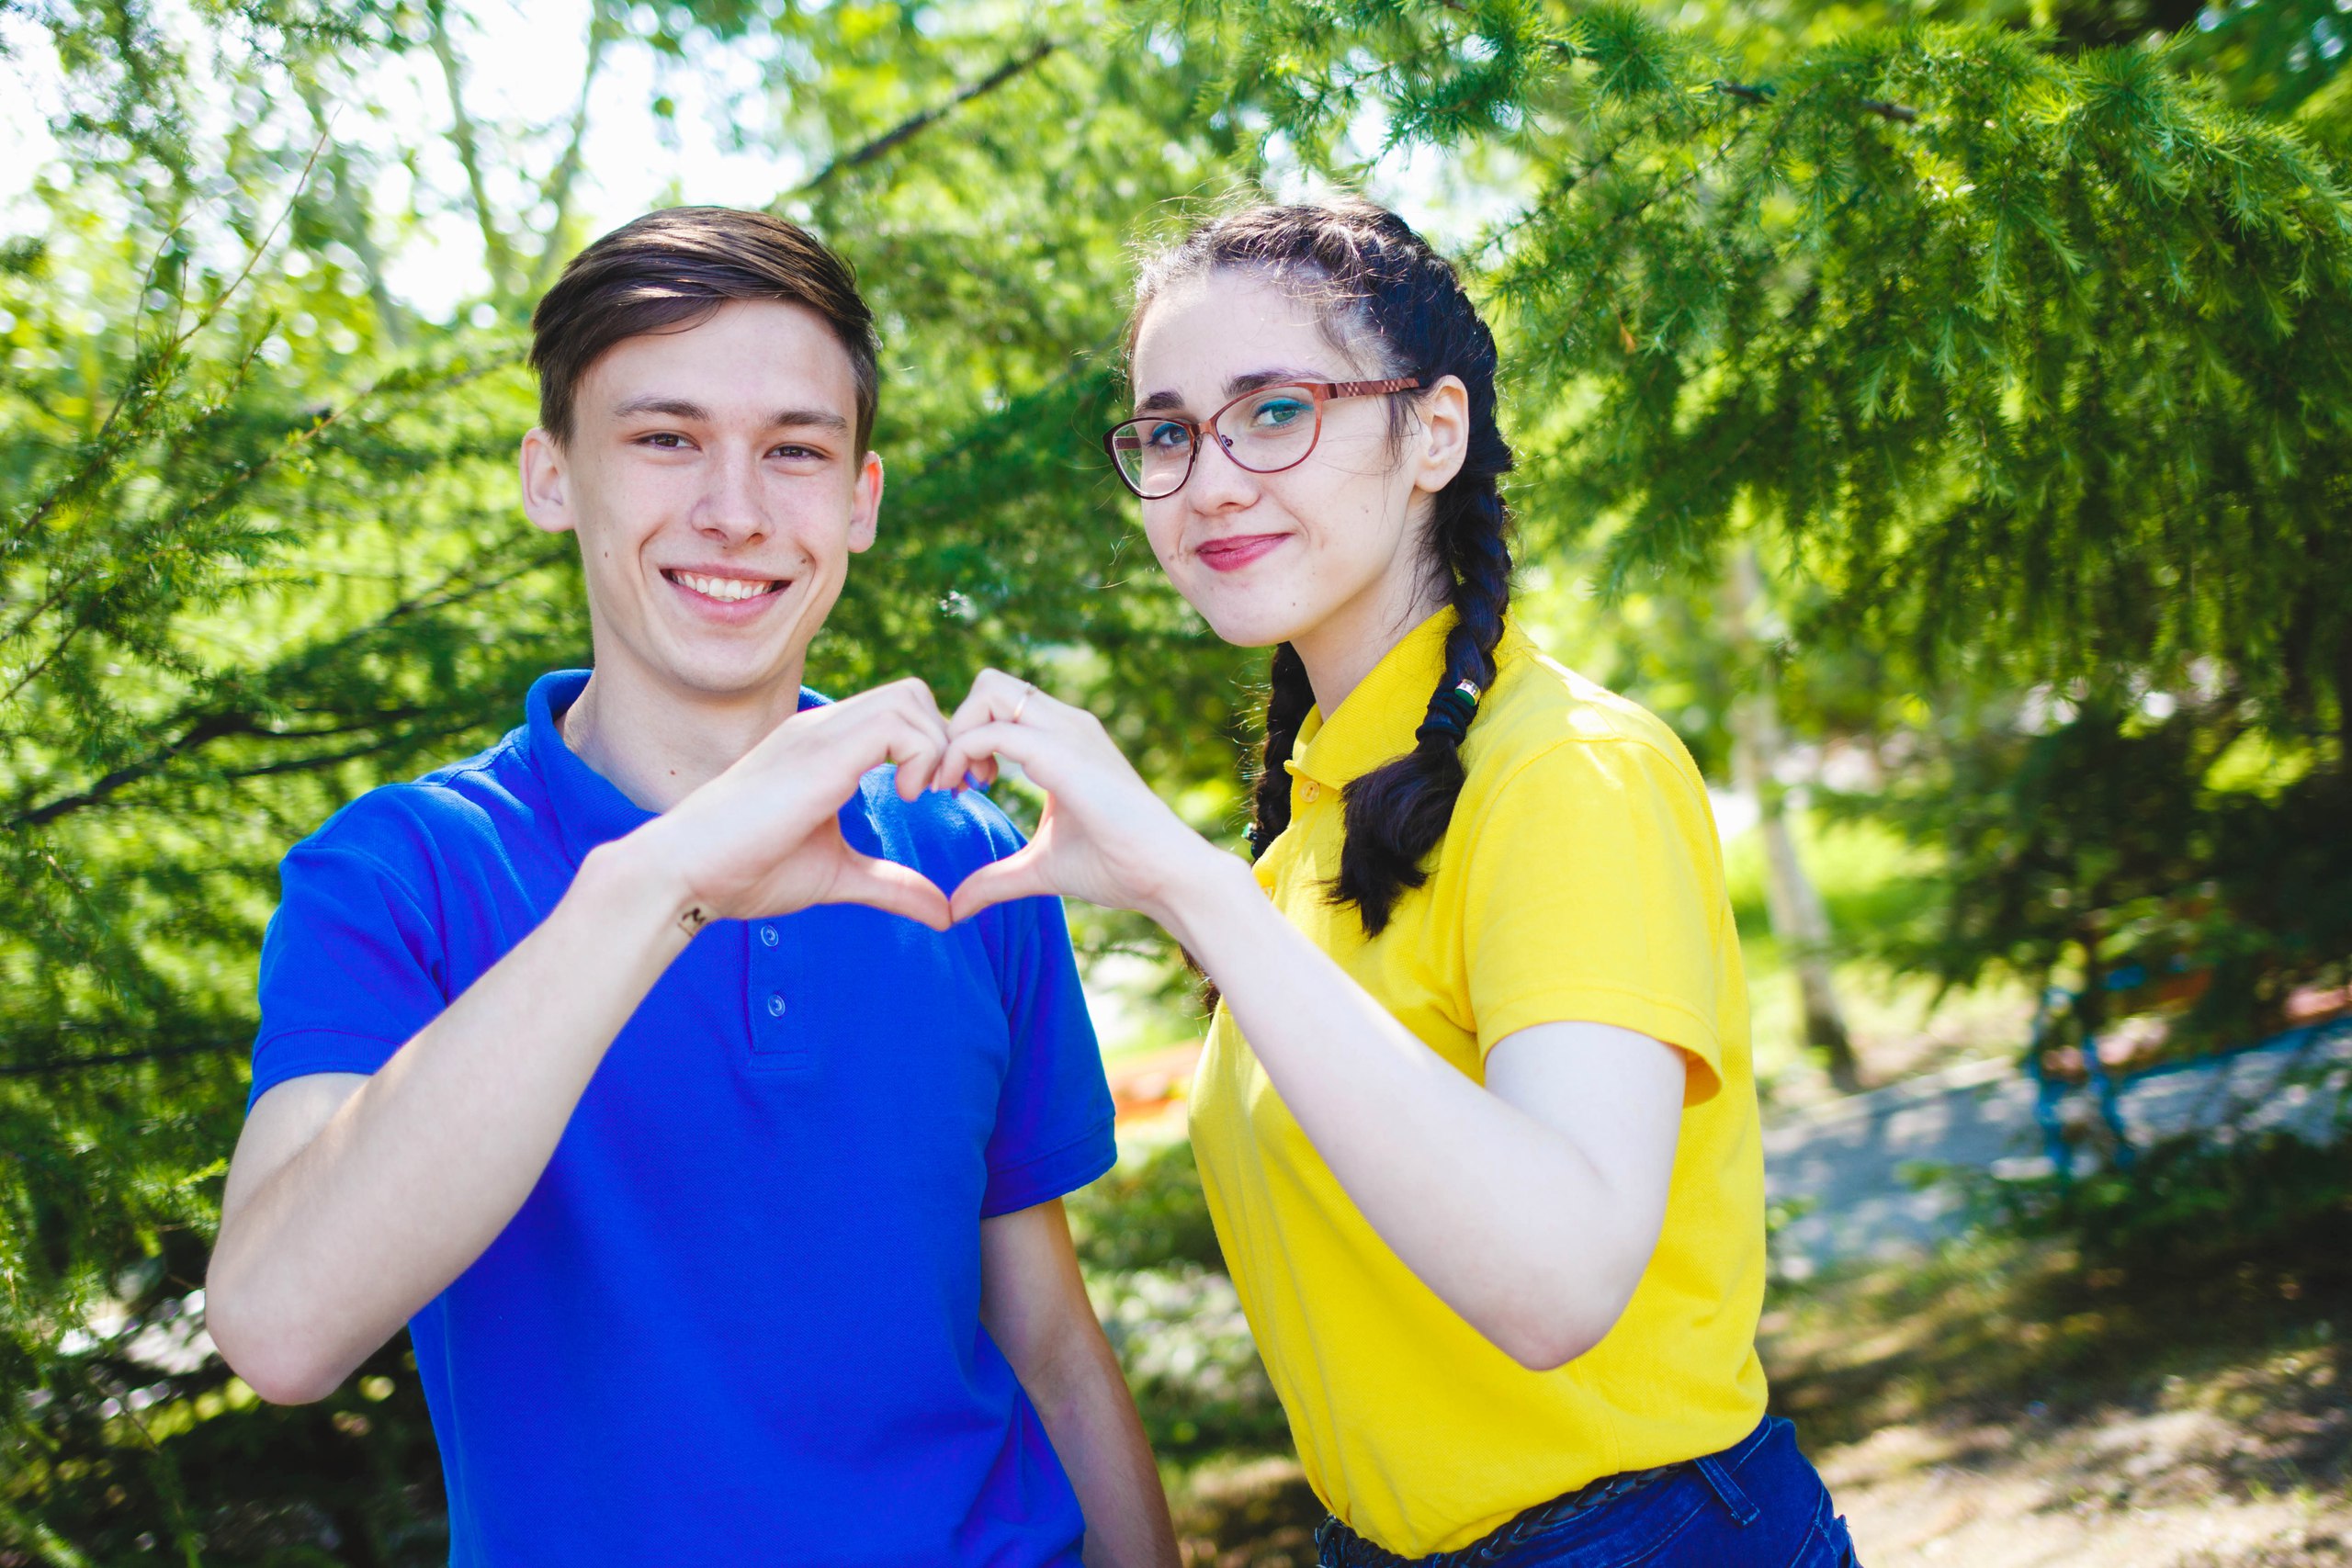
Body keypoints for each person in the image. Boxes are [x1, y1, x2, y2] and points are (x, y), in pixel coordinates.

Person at [205, 207, 1178, 1568]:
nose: (735, 509)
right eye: (665, 438)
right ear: (552, 476)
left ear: (861, 500)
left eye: (795, 450)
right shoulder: (401, 874)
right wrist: (664, 878)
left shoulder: (965, 851)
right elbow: (280, 1328)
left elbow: (1056, 1352)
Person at [926, 200, 1860, 1566]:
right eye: (1168, 433)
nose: (1209, 481)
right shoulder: (1316, 811)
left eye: (1276, 412)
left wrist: (1191, 889)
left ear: (1434, 432)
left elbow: (1556, 1283)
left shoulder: (1566, 772)